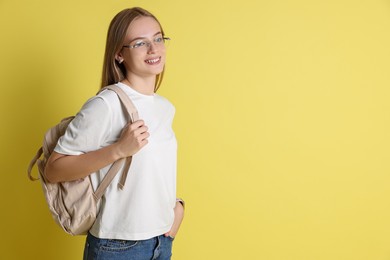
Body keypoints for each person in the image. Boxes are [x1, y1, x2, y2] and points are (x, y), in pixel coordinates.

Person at [45, 7, 184, 260]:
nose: (153, 49)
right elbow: (53, 169)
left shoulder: (164, 107)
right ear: (119, 54)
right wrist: (118, 149)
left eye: (158, 38)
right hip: (118, 247)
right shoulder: (106, 104)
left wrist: (176, 211)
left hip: (162, 240)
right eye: (140, 43)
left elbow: (152, 173)